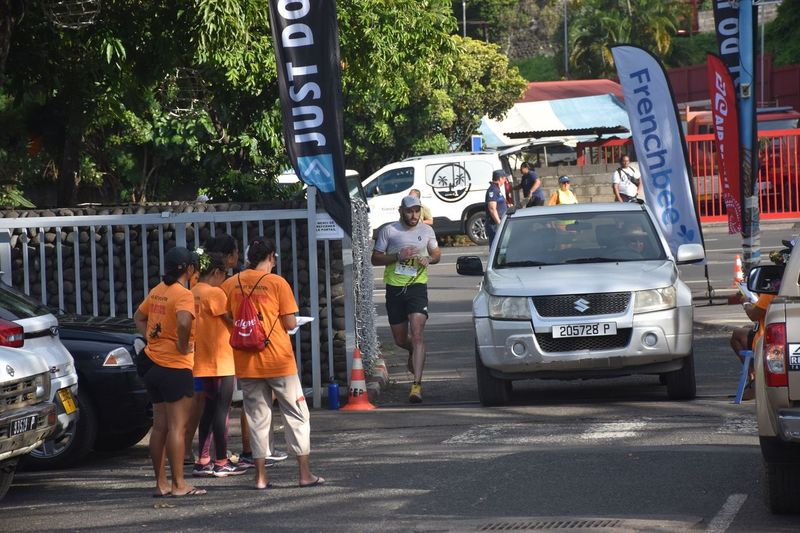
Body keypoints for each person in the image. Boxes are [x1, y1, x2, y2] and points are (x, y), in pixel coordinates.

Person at [222, 239, 324, 489]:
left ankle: (260, 477)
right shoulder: (277, 283)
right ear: (269, 257)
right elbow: (290, 323)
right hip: (278, 360)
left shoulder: (230, 284)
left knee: (258, 418)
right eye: (274, 258)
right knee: (296, 415)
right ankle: (304, 474)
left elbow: (226, 316)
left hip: (246, 362)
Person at [133, 246, 206, 497]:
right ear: (188, 269)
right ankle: (179, 485)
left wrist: (152, 339)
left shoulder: (158, 291)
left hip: (153, 364)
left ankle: (161, 484)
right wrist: (183, 345)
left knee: (160, 427)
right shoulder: (182, 294)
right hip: (175, 367)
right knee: (178, 428)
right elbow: (184, 321)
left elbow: (138, 317)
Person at [371, 195, 441, 403]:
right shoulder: (389, 231)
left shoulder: (427, 231)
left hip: (417, 287)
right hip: (394, 288)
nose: (414, 215)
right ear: (401, 211)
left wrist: (428, 259)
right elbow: (375, 258)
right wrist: (397, 257)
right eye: (410, 211)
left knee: (418, 333)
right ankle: (414, 350)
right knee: (401, 339)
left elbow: (437, 253)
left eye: (417, 211)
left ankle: (416, 385)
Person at [190, 250, 246, 478]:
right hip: (221, 360)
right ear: (215, 272)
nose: (224, 279)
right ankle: (221, 461)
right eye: (223, 274)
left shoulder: (191, 292)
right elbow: (231, 322)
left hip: (200, 361)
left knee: (208, 411)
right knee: (222, 412)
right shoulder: (215, 293)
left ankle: (203, 460)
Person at [485, 169, 509, 245]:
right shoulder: (493, 190)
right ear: (500, 178)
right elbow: (492, 208)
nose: (505, 180)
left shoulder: (496, 189)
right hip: (495, 225)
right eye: (504, 178)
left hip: (499, 222)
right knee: (496, 247)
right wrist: (499, 224)